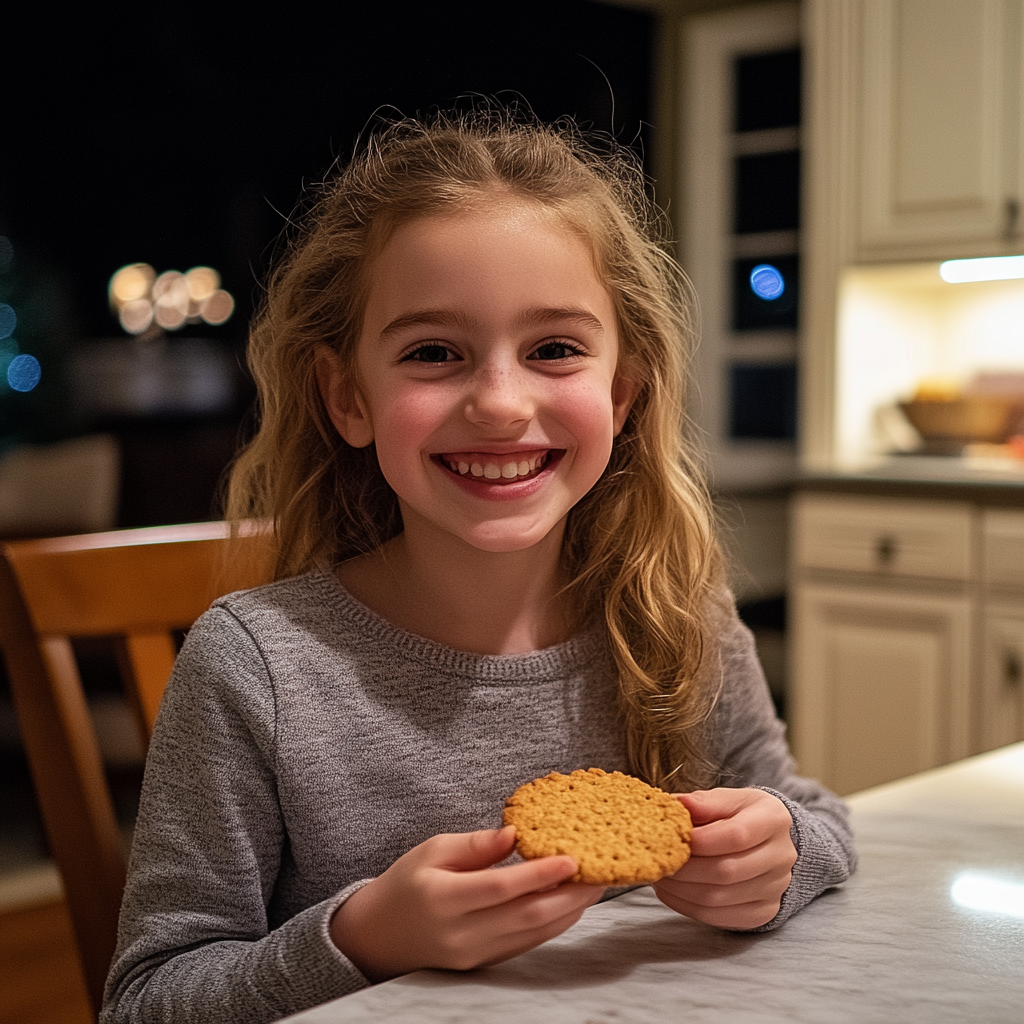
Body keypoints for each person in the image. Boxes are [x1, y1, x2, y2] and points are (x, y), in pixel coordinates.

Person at [102, 111, 855, 1024]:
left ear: (622, 394)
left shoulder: (676, 616)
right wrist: (365, 939)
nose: (500, 402)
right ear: (349, 398)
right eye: (433, 353)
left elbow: (813, 813)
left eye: (554, 349)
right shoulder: (257, 668)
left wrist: (782, 854)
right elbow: (148, 999)